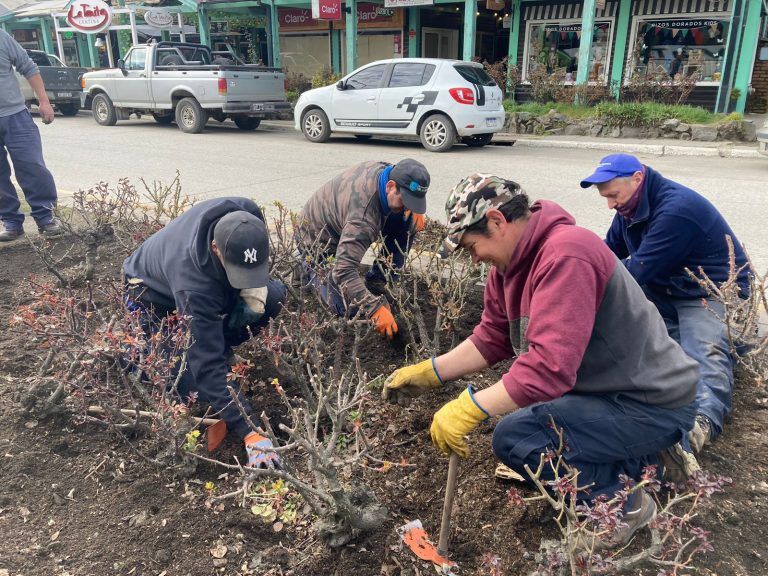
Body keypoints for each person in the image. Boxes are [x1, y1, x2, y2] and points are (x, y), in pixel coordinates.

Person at [383, 174, 699, 545]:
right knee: (537, 417)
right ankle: (646, 461)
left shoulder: (567, 255)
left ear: (497, 221)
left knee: (519, 438)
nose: (474, 258)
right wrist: (431, 372)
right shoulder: (509, 268)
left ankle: (624, 507)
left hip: (651, 402)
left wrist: (469, 408)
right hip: (611, 391)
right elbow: (493, 337)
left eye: (471, 246)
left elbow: (548, 369)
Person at [580, 154, 749, 457]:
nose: (610, 205)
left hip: (709, 293)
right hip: (667, 287)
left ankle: (700, 426)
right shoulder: (630, 208)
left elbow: (635, 272)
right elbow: (608, 255)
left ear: (637, 179)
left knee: (704, 351)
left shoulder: (676, 211)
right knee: (645, 338)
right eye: (605, 197)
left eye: (613, 195)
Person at [123, 197, 287, 468]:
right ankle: (133, 351)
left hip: (203, 281)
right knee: (194, 389)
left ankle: (214, 341)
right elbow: (208, 366)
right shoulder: (193, 284)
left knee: (273, 297)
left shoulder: (248, 215)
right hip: (150, 296)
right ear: (215, 248)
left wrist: (252, 289)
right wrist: (250, 431)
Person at [296, 158, 430, 339]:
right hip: (317, 242)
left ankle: (378, 280)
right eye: (405, 200)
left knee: (408, 219)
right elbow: (343, 271)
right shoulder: (363, 218)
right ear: (390, 186)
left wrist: (414, 209)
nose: (408, 206)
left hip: (343, 222)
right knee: (350, 308)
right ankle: (306, 267)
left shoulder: (387, 173)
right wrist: (373, 308)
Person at [0, 29, 61, 241]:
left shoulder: (2, 38)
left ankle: (46, 217)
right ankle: (11, 222)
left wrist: (44, 101)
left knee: (32, 166)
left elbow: (28, 66)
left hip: (15, 115)